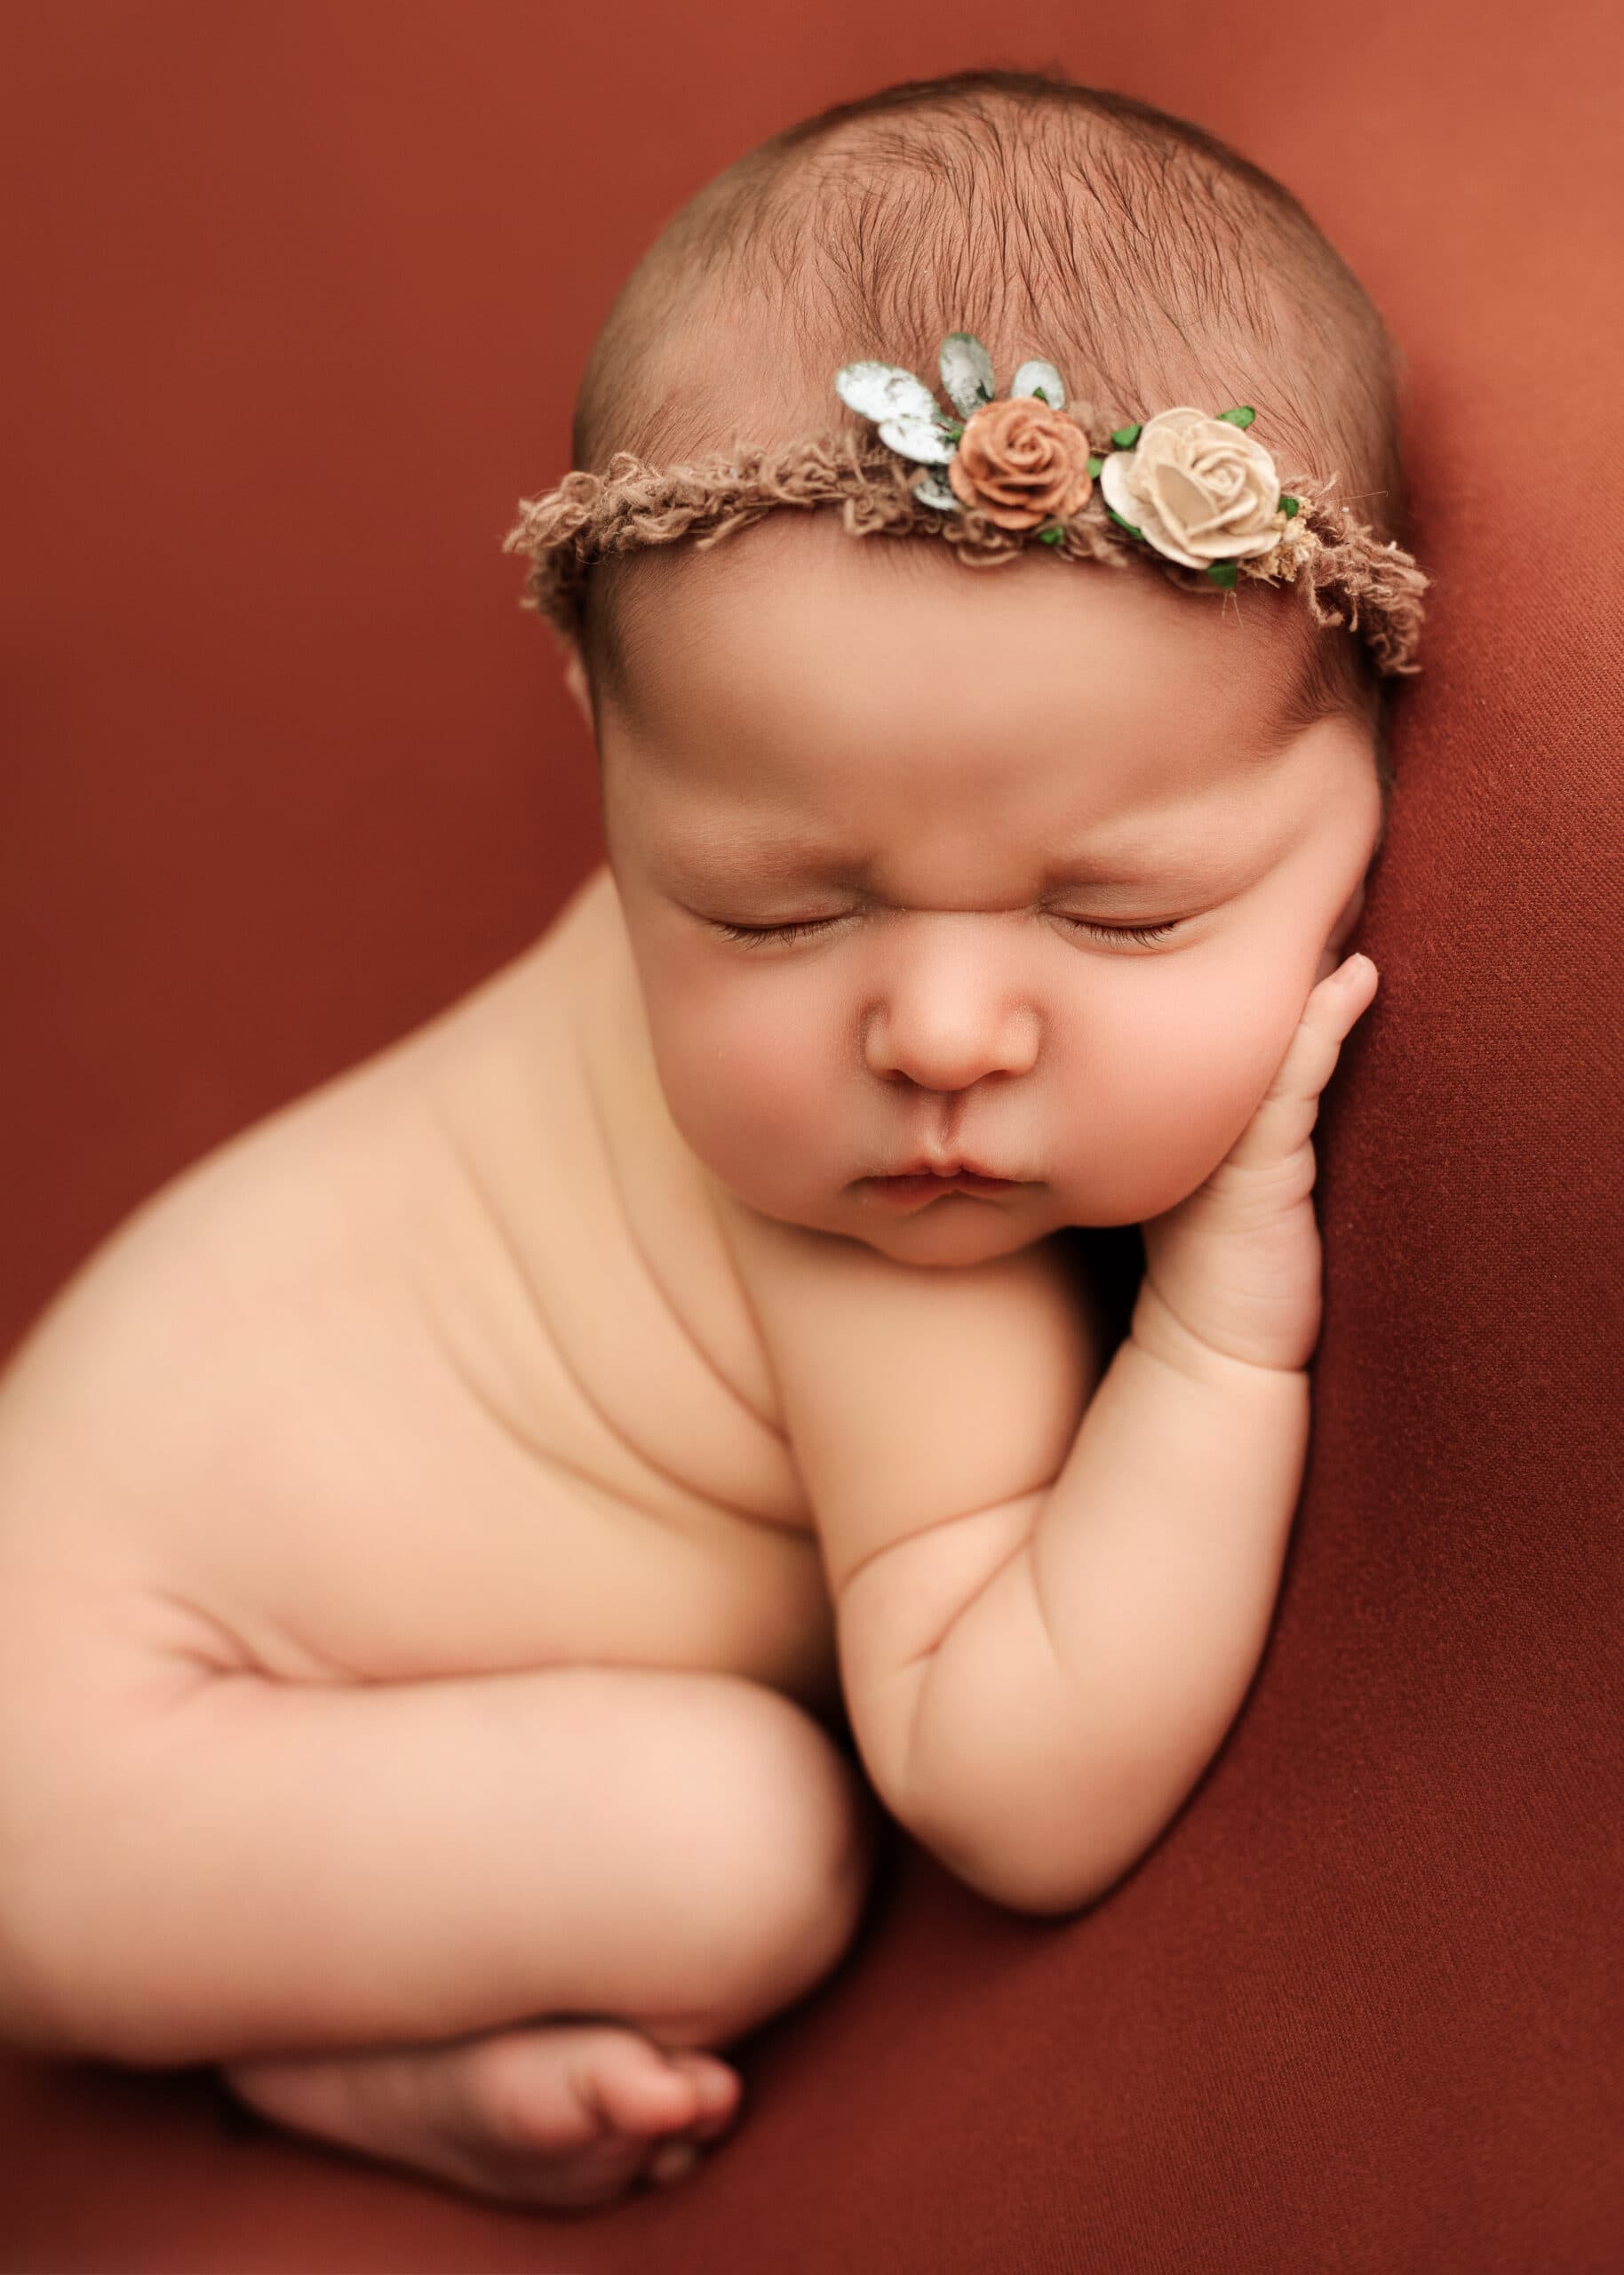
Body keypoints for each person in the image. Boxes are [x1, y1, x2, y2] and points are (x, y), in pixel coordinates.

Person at [0, 67, 1426, 2213]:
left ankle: (334, 2039)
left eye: (1116, 911)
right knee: (742, 1844)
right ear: (614, 773)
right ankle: (291, 2039)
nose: (936, 1034)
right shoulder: (859, 1240)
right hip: (81, 1753)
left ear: (1381, 748)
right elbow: (1016, 1787)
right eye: (777, 911)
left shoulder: (848, 965)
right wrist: (1220, 1335)